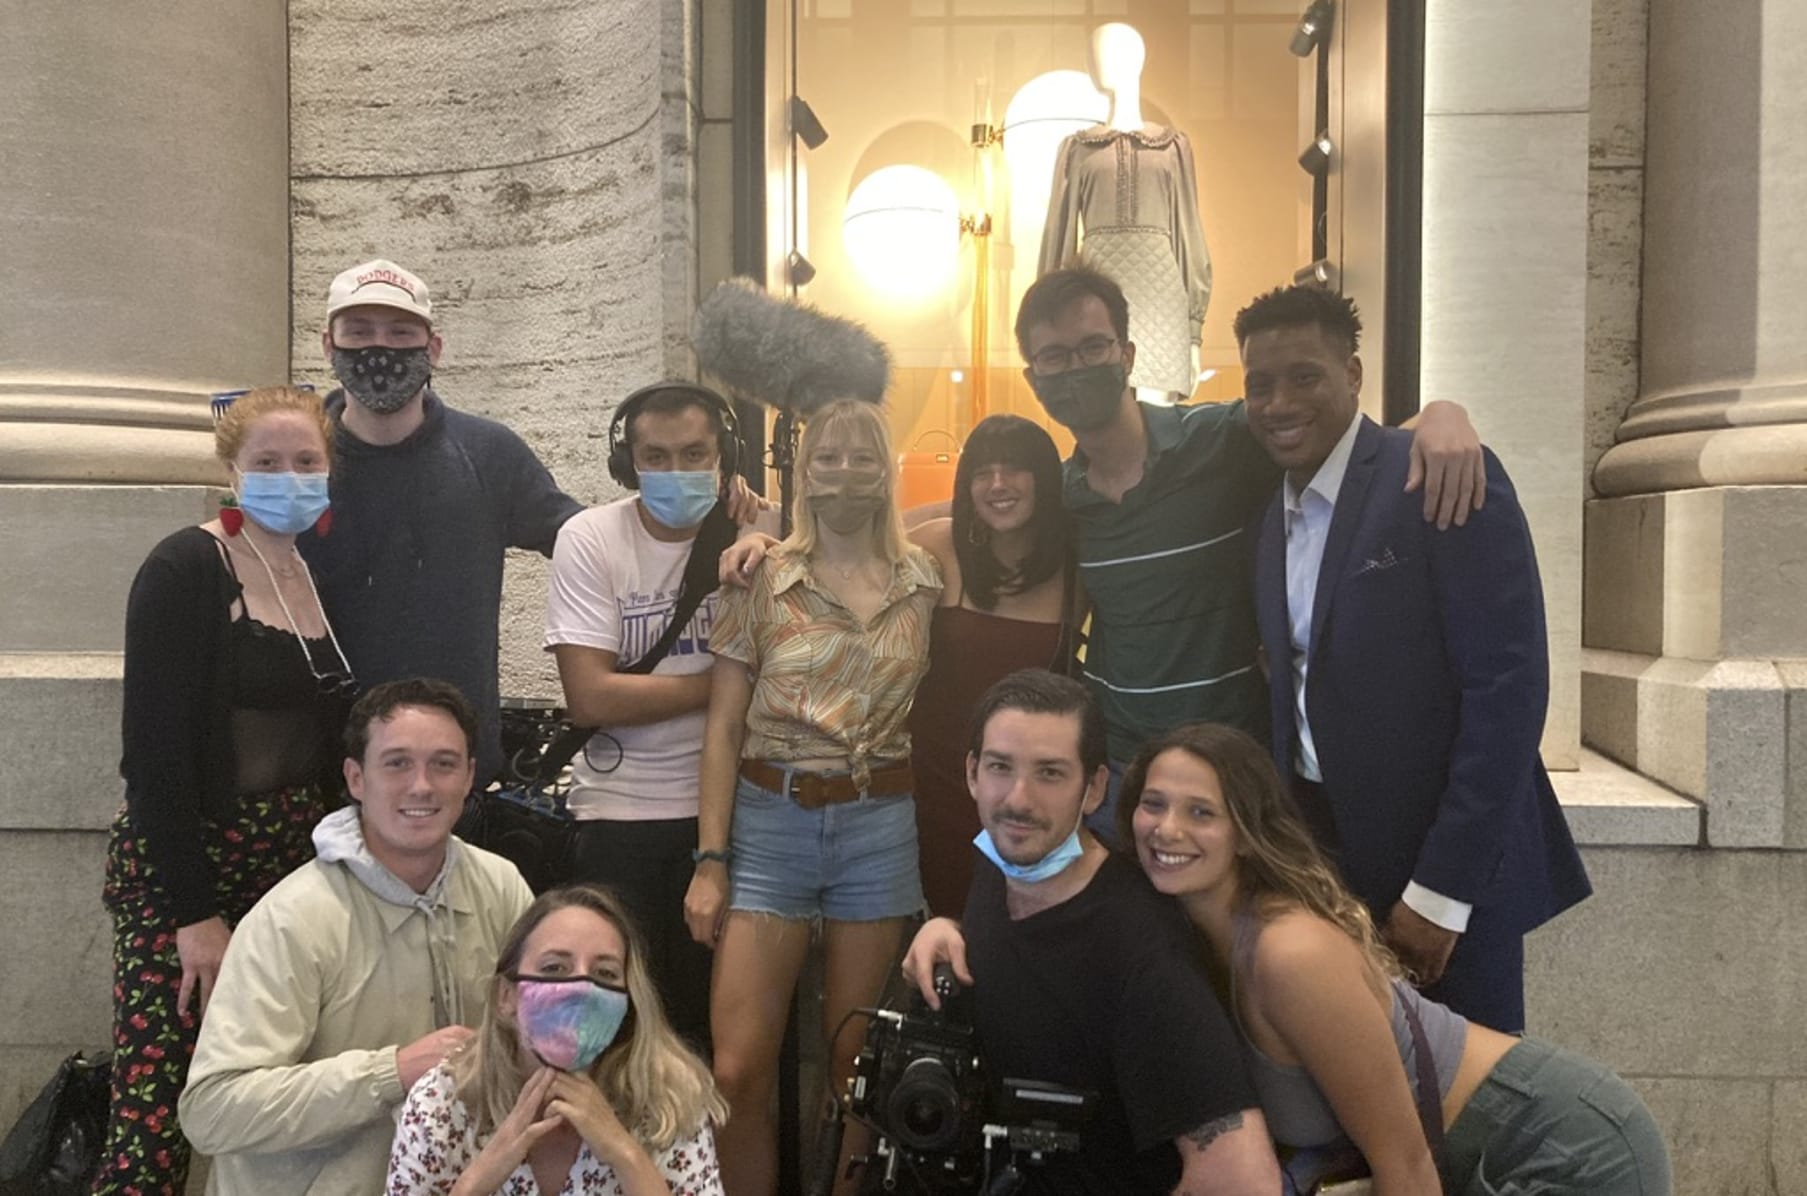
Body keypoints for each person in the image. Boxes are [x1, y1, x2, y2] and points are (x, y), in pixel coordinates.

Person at [1012, 266, 1484, 839]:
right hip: (1124, 774)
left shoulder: (1222, 441)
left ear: (1127, 354)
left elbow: (1347, 448)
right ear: (1033, 378)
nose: (1077, 368)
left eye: (1093, 347)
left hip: (1234, 767)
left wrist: (1440, 416)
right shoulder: (1064, 499)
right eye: (1055, 357)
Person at [1235, 284, 1590, 1031]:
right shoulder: (1269, 518)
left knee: (1465, 1084)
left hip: (1442, 874)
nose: (1278, 403)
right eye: (1259, 385)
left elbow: (1507, 691)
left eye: (1304, 377)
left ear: (1353, 374)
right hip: (1324, 861)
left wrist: (1441, 894)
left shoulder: (1436, 474)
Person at [1119, 723, 1672, 1196]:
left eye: (1201, 812)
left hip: (1559, 1144)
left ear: (1245, 834)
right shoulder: (1196, 941)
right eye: (1154, 804)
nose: (1168, 829)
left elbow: (1406, 1166)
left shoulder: (1289, 953)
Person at [96, 385, 353, 1195]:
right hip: (189, 865)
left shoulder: (316, 574)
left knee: (275, 1095)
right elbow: (154, 755)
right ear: (232, 471)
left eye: (305, 461)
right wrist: (194, 915)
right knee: (154, 1103)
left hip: (290, 866)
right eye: (266, 462)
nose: (288, 476)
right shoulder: (185, 567)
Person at [683, 400, 940, 1196]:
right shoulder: (759, 577)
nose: (844, 474)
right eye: (827, 458)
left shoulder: (924, 579)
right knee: (737, 1068)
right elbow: (723, 727)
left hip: (877, 826)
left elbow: (981, 514)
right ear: (804, 472)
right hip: (770, 824)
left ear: (887, 471)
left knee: (856, 1066)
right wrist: (711, 860)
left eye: (864, 458)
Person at [903, 669, 1280, 1196]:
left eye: (1050, 773)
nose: (1019, 799)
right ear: (972, 773)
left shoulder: (1142, 953)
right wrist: (948, 929)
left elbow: (1241, 1180)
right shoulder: (1001, 862)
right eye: (1000, 767)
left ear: (1095, 788)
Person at [179, 678, 535, 1195]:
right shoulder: (293, 919)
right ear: (355, 778)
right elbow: (212, 1110)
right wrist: (391, 1073)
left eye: (443, 763)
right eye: (397, 763)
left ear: (470, 777)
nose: (422, 785)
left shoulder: (502, 888)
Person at [545, 382, 772, 1050]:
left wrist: (765, 528)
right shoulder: (591, 538)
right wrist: (726, 685)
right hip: (620, 815)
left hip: (739, 815)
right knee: (620, 1032)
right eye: (657, 456)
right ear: (628, 462)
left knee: (718, 1034)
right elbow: (591, 697)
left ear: (725, 456)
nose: (677, 471)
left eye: (695, 454)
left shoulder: (760, 532)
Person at [298, 258, 583, 786]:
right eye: (358, 332)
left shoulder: (489, 453)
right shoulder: (297, 462)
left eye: (400, 332)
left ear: (433, 348)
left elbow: (587, 540)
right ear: (328, 346)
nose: (378, 347)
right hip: (322, 772)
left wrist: (722, 528)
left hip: (455, 773)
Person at [385, 883, 727, 1195]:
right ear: (506, 996)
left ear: (627, 1003)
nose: (581, 988)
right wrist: (480, 1178)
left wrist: (624, 1154)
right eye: (554, 968)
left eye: (605, 973)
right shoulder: (442, 1103)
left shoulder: (668, 1099)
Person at [905, 414, 1074, 916]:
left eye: (1015, 468)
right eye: (982, 472)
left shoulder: (1076, 562)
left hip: (1028, 790)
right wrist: (760, 540)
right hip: (935, 778)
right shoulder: (940, 544)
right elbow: (848, 553)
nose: (998, 483)